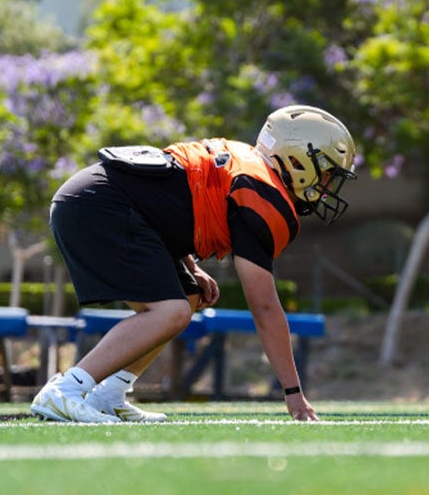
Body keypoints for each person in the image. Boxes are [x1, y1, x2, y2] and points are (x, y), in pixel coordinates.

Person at [30, 105, 357, 423]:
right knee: (170, 311)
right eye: (326, 173)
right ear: (297, 158)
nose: (326, 186)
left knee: (186, 296)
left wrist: (192, 267)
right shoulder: (263, 194)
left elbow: (165, 203)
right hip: (100, 205)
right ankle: (67, 389)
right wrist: (293, 392)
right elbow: (265, 308)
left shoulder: (247, 165)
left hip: (98, 199)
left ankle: (108, 394)